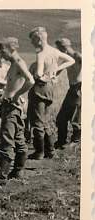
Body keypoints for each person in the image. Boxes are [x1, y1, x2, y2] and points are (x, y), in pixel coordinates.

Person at [28, 27, 75, 159]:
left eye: (33, 40)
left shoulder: (41, 54)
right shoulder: (54, 51)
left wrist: (36, 71)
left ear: (38, 38)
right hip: (50, 88)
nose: (32, 43)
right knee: (46, 120)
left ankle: (39, 152)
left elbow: (38, 73)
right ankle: (50, 151)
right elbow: (71, 60)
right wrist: (56, 70)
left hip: (40, 88)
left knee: (37, 121)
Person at [0, 37, 35, 179]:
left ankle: (2, 175)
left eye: (3, 50)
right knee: (18, 138)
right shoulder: (13, 64)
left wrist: (17, 95)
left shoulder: (18, 62)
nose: (2, 54)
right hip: (12, 107)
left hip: (12, 107)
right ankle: (18, 171)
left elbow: (31, 80)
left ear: (11, 49)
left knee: (7, 140)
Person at [54, 38, 82, 149]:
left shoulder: (77, 56)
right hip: (72, 89)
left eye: (59, 49)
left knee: (76, 117)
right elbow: (57, 71)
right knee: (61, 117)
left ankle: (75, 141)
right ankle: (61, 141)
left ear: (63, 48)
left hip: (79, 88)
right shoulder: (68, 59)